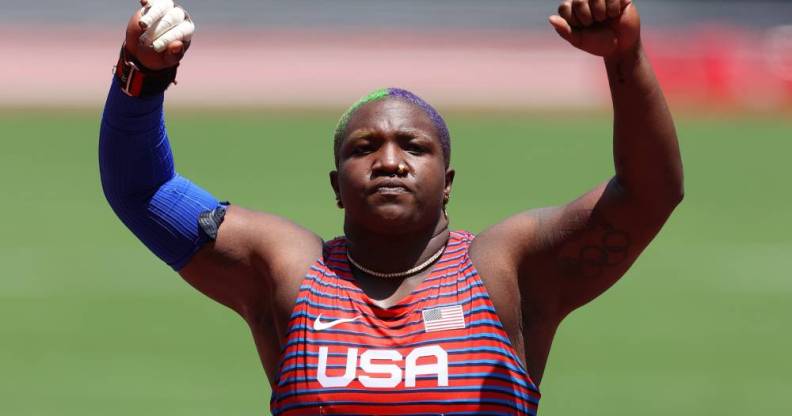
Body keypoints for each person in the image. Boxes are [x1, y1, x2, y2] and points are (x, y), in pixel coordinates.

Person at [99, 0, 683, 414]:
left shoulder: (505, 270)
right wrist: (141, 74)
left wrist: (624, 59)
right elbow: (143, 191)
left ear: (448, 181)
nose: (390, 160)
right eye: (364, 148)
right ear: (335, 184)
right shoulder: (290, 271)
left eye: (414, 146)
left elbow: (649, 194)